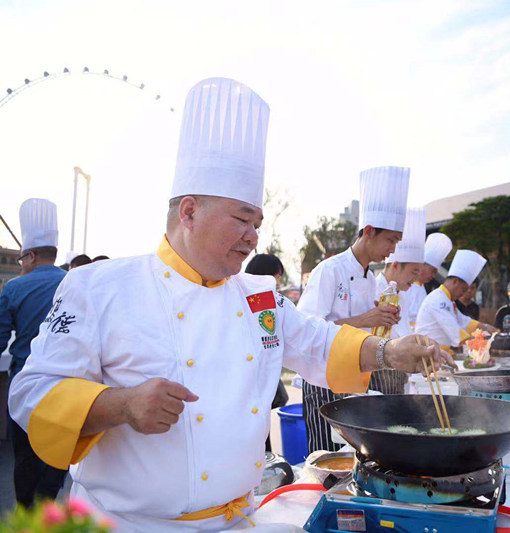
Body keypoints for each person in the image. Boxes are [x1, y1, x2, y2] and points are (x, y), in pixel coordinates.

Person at [8, 78, 448, 531]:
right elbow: (31, 393)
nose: (254, 236)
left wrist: (389, 352)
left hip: (239, 520)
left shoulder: (257, 293)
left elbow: (317, 341)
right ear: (189, 212)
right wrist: (119, 405)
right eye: (241, 218)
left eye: (257, 222)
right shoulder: (98, 287)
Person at [298, 166, 409, 454]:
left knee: (356, 457)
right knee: (327, 460)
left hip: (357, 377)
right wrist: (365, 318)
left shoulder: (369, 277)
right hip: (324, 379)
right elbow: (307, 327)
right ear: (369, 232)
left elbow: (363, 330)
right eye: (391, 240)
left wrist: (382, 320)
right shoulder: (329, 270)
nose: (393, 249)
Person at [0, 199, 67, 508]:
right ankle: (49, 511)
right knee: (59, 452)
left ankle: (27, 515)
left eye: (21, 259)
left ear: (30, 255)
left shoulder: (14, 288)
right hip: (67, 386)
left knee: (25, 456)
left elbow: (0, 339)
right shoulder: (73, 282)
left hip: (25, 384)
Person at [372, 207, 426, 394]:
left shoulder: (402, 294)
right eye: (413, 272)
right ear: (395, 265)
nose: (415, 279)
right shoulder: (373, 289)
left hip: (397, 375)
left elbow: (405, 332)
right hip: (376, 376)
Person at [245, 253, 289, 451]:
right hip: (249, 384)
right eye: (276, 276)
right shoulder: (253, 302)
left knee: (262, 436)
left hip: (261, 382)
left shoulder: (273, 303)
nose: (278, 282)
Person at [415, 250, 498, 349]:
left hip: (439, 351)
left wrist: (485, 327)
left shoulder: (448, 300)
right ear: (455, 282)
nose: (462, 294)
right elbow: (453, 328)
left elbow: (463, 321)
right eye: (463, 290)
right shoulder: (438, 299)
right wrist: (481, 342)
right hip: (428, 353)